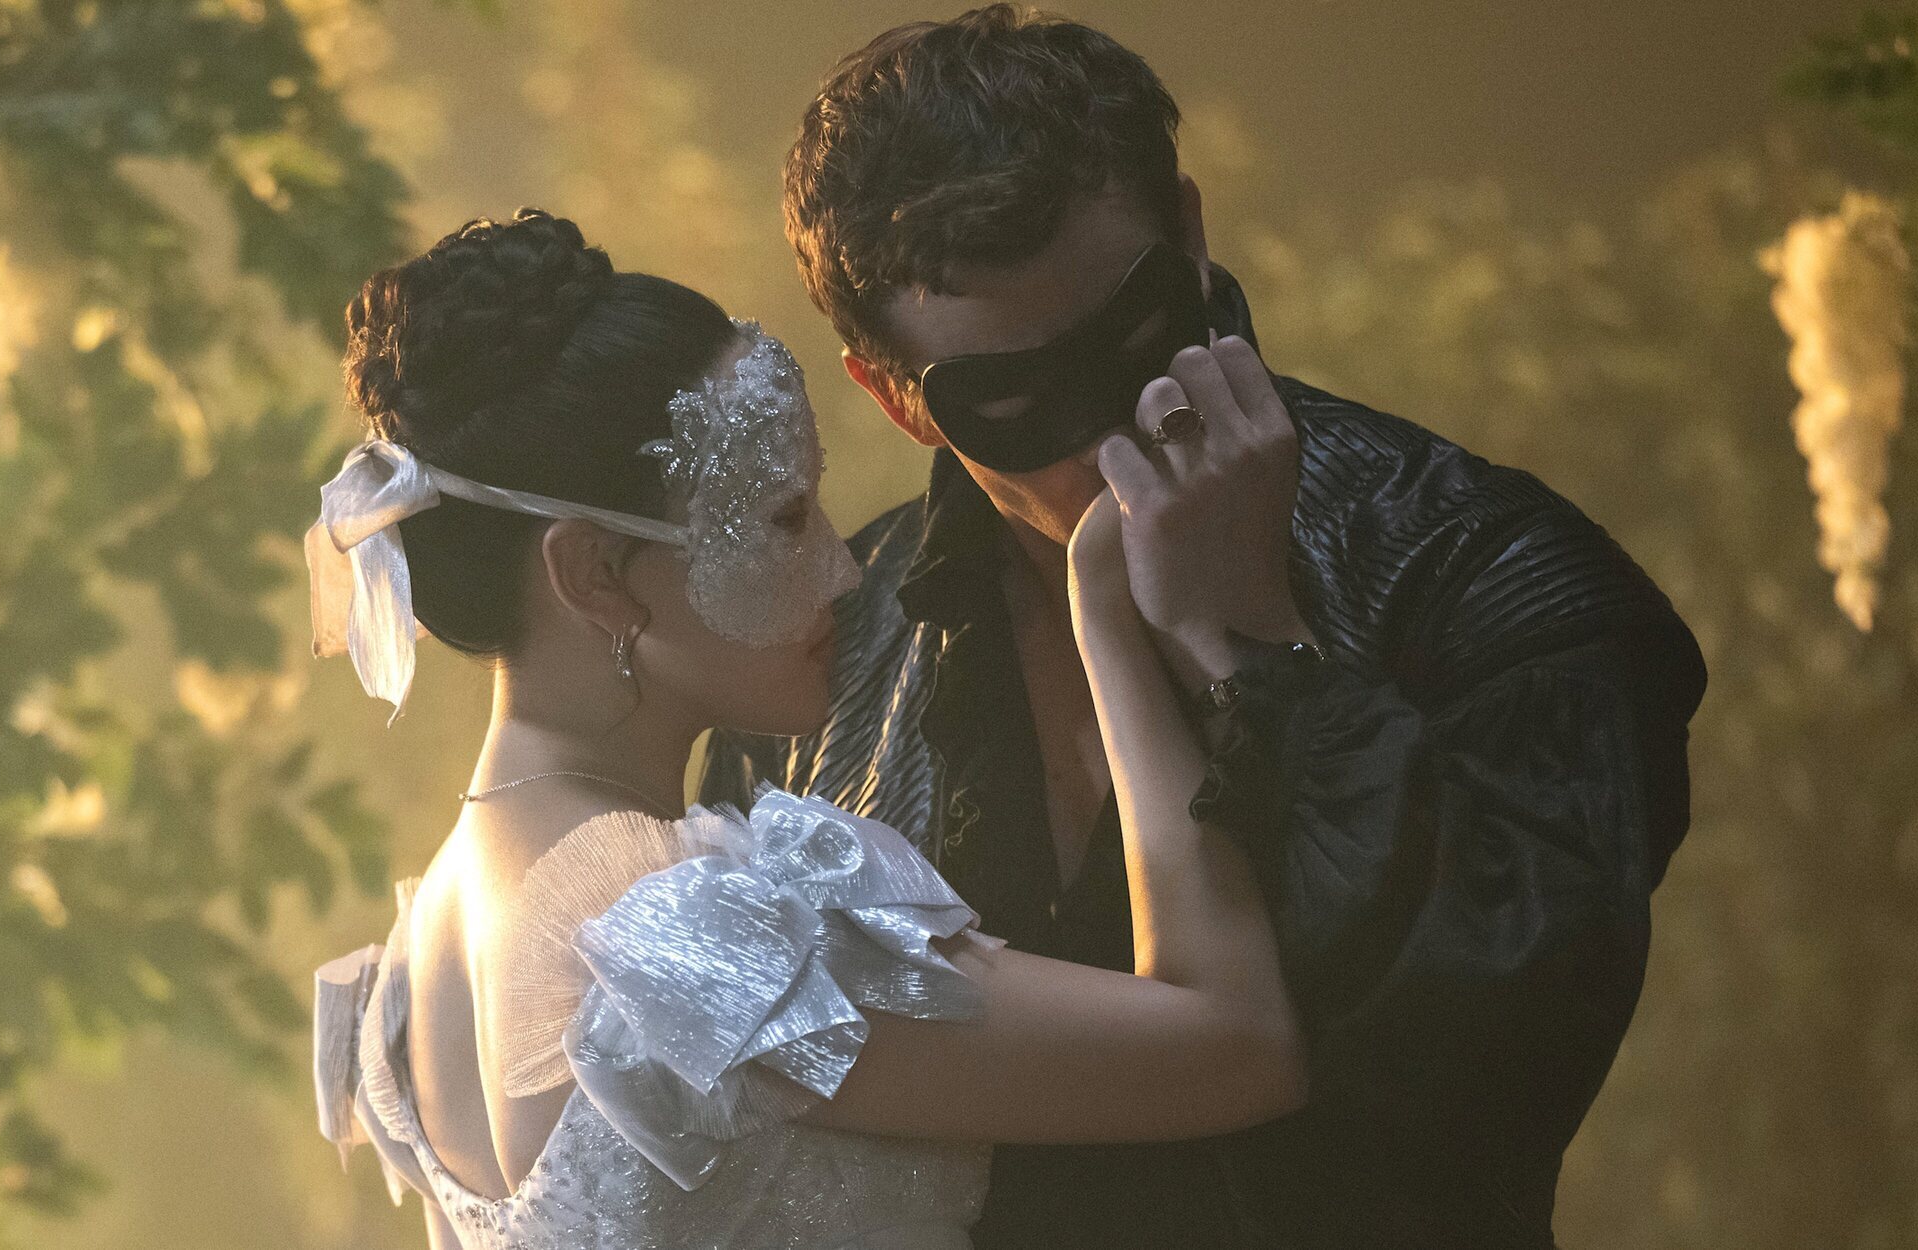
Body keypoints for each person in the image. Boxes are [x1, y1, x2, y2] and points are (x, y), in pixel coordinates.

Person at [702, 7, 1709, 1247]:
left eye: (1134, 339)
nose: (1103, 435)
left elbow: (1502, 1055)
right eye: (1012, 397)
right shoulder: (815, 657)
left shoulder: (1480, 568)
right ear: (891, 393)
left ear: (1188, 233)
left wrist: (1249, 653)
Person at [309, 209, 1308, 1250]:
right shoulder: (682, 933)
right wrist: (1104, 602)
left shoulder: (419, 969)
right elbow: (1237, 1047)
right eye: (784, 519)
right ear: (593, 573)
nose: (841, 568)